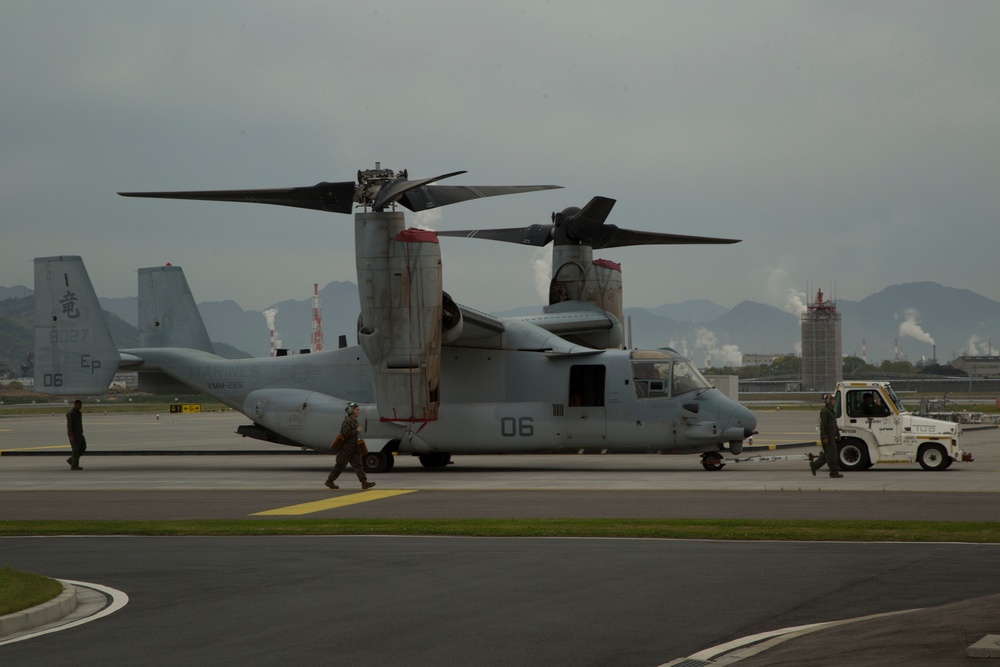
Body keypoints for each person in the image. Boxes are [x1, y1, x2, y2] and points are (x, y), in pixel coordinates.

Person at [325, 402, 376, 490]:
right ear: (351, 411)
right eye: (357, 410)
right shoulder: (347, 421)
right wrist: (356, 430)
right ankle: (329, 481)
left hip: (354, 448)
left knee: (358, 465)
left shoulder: (354, 421)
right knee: (340, 465)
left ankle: (364, 482)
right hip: (346, 449)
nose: (359, 411)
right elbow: (345, 433)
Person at [810, 393, 844, 478]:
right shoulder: (825, 411)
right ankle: (834, 472)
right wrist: (824, 437)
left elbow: (834, 424)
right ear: (828, 401)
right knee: (832, 455)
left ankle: (814, 466)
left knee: (827, 455)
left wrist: (838, 434)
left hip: (832, 436)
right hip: (828, 436)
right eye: (833, 399)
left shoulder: (831, 410)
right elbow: (823, 426)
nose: (834, 401)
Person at [66, 399, 86, 470]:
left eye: (81, 405)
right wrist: (71, 435)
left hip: (79, 433)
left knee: (83, 447)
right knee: (75, 450)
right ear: (75, 404)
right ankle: (74, 465)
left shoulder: (79, 413)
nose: (80, 407)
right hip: (74, 434)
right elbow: (70, 425)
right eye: (79, 405)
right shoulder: (71, 414)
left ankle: (72, 460)